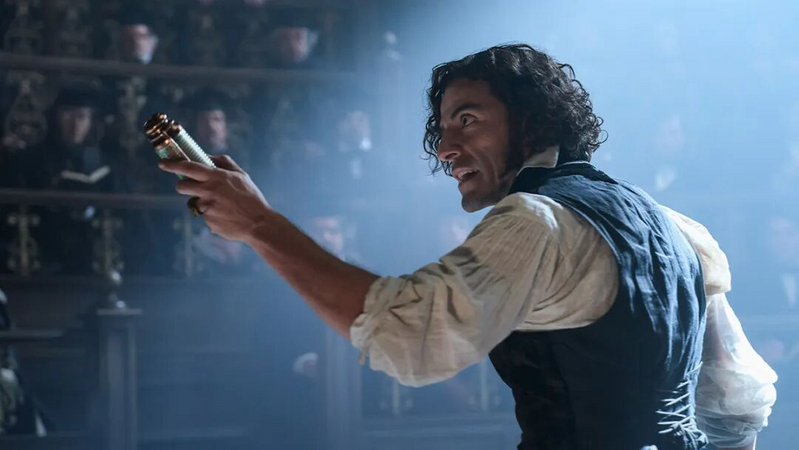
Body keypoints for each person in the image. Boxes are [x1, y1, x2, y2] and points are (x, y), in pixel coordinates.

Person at [160, 44, 777, 449]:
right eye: (442, 129)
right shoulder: (674, 224)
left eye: (468, 119)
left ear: (533, 122)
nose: (446, 148)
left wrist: (260, 224)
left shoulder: (536, 220)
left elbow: (409, 336)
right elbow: (735, 405)